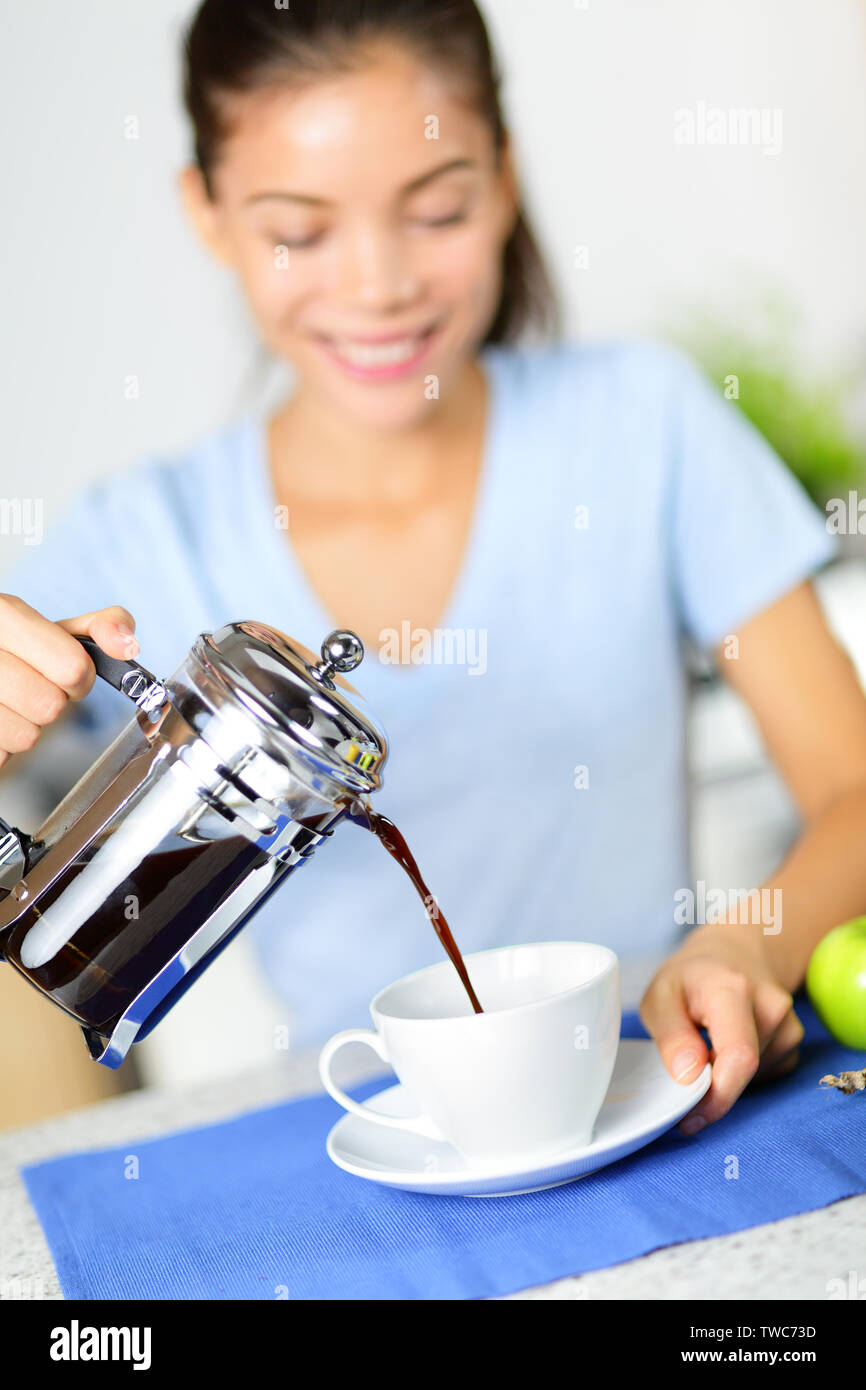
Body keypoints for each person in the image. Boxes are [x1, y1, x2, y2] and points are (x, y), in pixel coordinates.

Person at [2, 0, 865, 1137]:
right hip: (350, 1132)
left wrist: (745, 936)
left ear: (504, 180)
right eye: (298, 232)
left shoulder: (642, 427)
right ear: (205, 213)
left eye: (438, 208)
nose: (376, 285)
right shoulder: (138, 535)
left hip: (651, 1084)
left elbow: (851, 790)